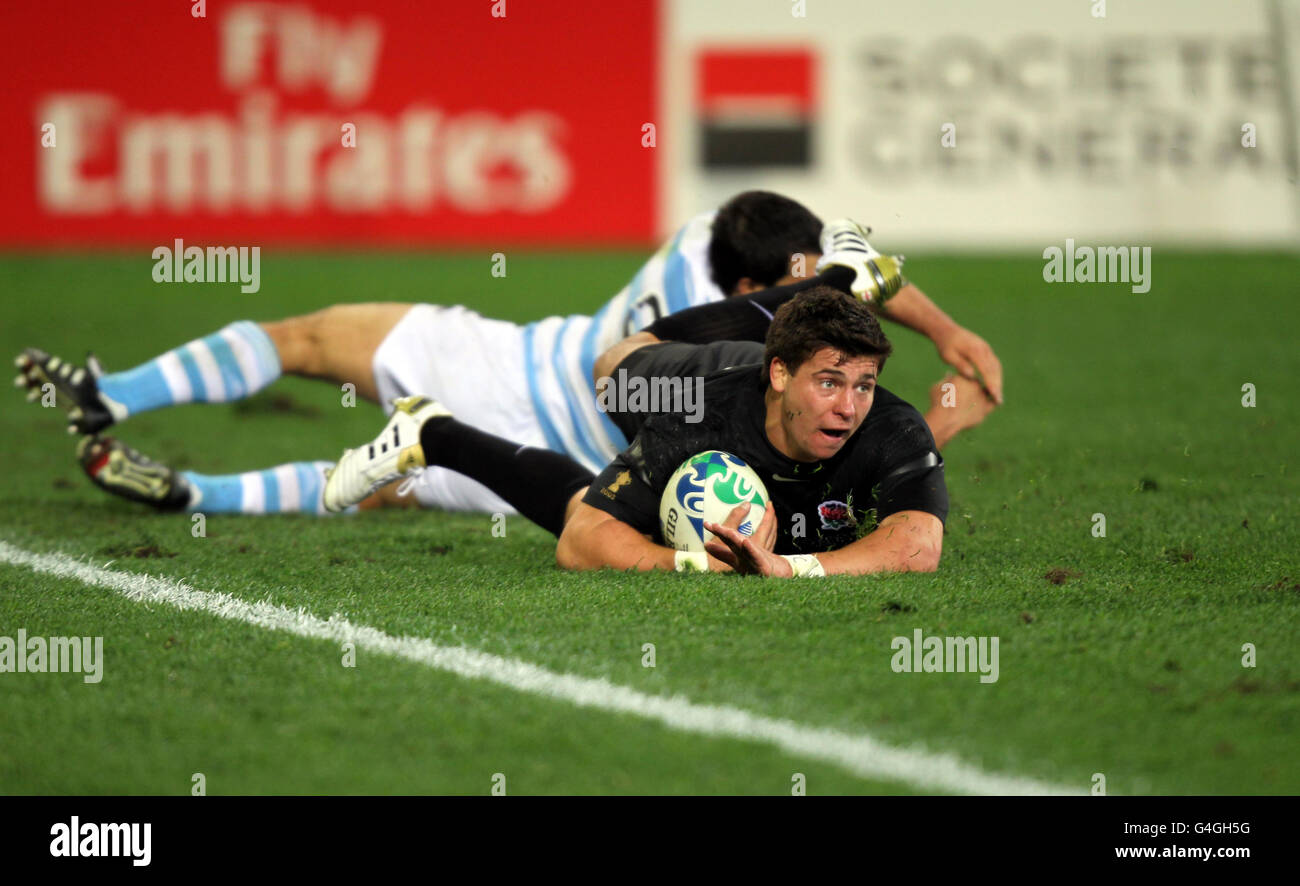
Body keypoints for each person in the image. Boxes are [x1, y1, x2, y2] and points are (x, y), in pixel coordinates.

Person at [16, 193, 1000, 514]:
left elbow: (858, 267)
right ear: (754, 288)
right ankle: (198, 494)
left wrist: (950, 329)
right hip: (591, 456)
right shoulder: (737, 325)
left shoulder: (716, 227)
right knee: (378, 483)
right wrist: (946, 348)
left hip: (513, 361)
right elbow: (856, 284)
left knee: (306, 341)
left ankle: (120, 404)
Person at [322, 287, 949, 578]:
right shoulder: (692, 415)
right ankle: (831, 280)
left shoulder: (890, 427)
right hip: (678, 374)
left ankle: (433, 433)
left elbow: (917, 546)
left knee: (607, 509)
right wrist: (692, 565)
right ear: (782, 374)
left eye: (863, 385)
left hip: (759, 390)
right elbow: (580, 545)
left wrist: (793, 570)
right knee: (613, 370)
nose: (848, 406)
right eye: (831, 382)